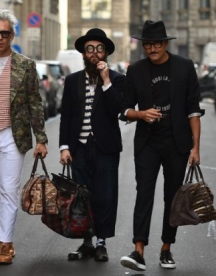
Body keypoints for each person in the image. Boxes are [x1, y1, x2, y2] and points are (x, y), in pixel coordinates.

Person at [119, 20, 202, 271]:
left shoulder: (185, 67)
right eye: (147, 44)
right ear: (143, 46)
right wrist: (142, 114)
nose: (152, 48)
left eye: (157, 43)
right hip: (147, 142)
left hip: (177, 143)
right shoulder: (135, 70)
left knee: (172, 197)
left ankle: (166, 249)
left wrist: (196, 148)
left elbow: (193, 110)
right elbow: (124, 110)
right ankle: (138, 250)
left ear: (165, 43)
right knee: (144, 193)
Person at [0, 9, 48, 265]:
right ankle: (4, 236)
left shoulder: (25, 65)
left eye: (5, 33)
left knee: (8, 190)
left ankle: (4, 243)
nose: (0, 38)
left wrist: (41, 138)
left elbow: (35, 102)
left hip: (14, 134)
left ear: (13, 34)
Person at [59, 28, 125, 262]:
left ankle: (101, 242)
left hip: (105, 147)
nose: (94, 53)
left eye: (99, 49)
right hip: (79, 148)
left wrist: (106, 81)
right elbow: (65, 115)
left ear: (105, 53)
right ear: (84, 54)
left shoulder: (117, 79)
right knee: (82, 197)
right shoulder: (73, 80)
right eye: (90, 49)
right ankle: (86, 241)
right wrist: (64, 146)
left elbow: (116, 110)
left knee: (105, 196)